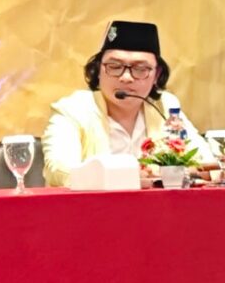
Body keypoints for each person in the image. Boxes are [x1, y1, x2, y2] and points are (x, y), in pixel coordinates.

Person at [42, 20, 212, 187]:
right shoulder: (73, 109)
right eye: (114, 66)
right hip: (93, 205)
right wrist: (127, 175)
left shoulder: (165, 107)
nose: (126, 77)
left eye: (140, 69)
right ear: (98, 70)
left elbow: (208, 164)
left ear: (157, 75)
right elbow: (59, 171)